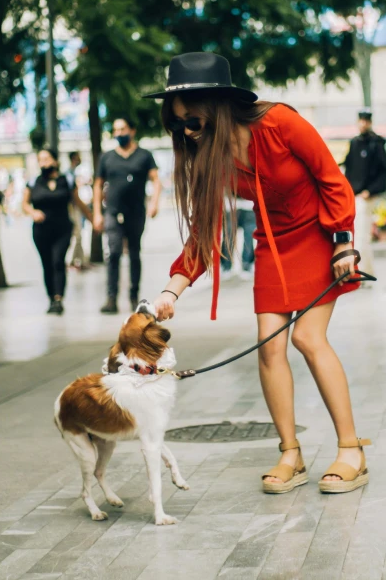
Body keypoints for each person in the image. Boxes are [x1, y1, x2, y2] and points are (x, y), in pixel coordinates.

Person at [149, 52, 371, 496]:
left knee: (309, 338)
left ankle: (351, 450)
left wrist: (344, 241)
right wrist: (170, 290)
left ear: (217, 105)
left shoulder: (279, 123)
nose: (187, 132)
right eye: (177, 125)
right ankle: (291, 452)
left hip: (316, 237)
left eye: (192, 120)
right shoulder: (207, 158)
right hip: (272, 247)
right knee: (268, 350)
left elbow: (331, 179)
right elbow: (202, 234)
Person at [93, 117, 161, 314]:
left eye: (122, 129)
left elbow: (156, 180)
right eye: (115, 130)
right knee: (113, 253)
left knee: (134, 254)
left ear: (132, 130)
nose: (119, 133)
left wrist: (154, 203)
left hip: (136, 212)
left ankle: (133, 296)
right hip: (113, 212)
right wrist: (97, 213)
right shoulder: (107, 158)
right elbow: (98, 185)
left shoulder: (144, 155)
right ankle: (111, 298)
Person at [22, 148, 92, 314]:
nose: (44, 163)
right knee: (47, 264)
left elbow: (78, 202)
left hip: (63, 229)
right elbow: (24, 204)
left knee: (58, 261)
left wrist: (92, 218)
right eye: (40, 160)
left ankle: (59, 298)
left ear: (55, 161)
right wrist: (33, 213)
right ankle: (51, 298)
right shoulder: (33, 182)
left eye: (47, 158)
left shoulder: (66, 180)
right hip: (41, 231)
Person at [343, 109, 386, 277]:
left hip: (366, 196)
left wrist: (370, 190)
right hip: (354, 195)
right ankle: (364, 270)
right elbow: (349, 168)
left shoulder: (376, 144)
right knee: (358, 234)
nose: (363, 124)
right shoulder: (355, 143)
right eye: (361, 120)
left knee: (361, 234)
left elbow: (383, 172)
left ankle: (359, 271)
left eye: (366, 121)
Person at [221, 198, 256, 280]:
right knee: (231, 236)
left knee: (245, 236)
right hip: (237, 204)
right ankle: (244, 266)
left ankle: (228, 266)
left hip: (240, 205)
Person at [67, 151, 87, 267]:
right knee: (77, 234)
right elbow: (73, 194)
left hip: (77, 207)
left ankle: (80, 260)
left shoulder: (75, 172)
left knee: (79, 234)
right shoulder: (70, 173)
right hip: (73, 207)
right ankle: (73, 261)